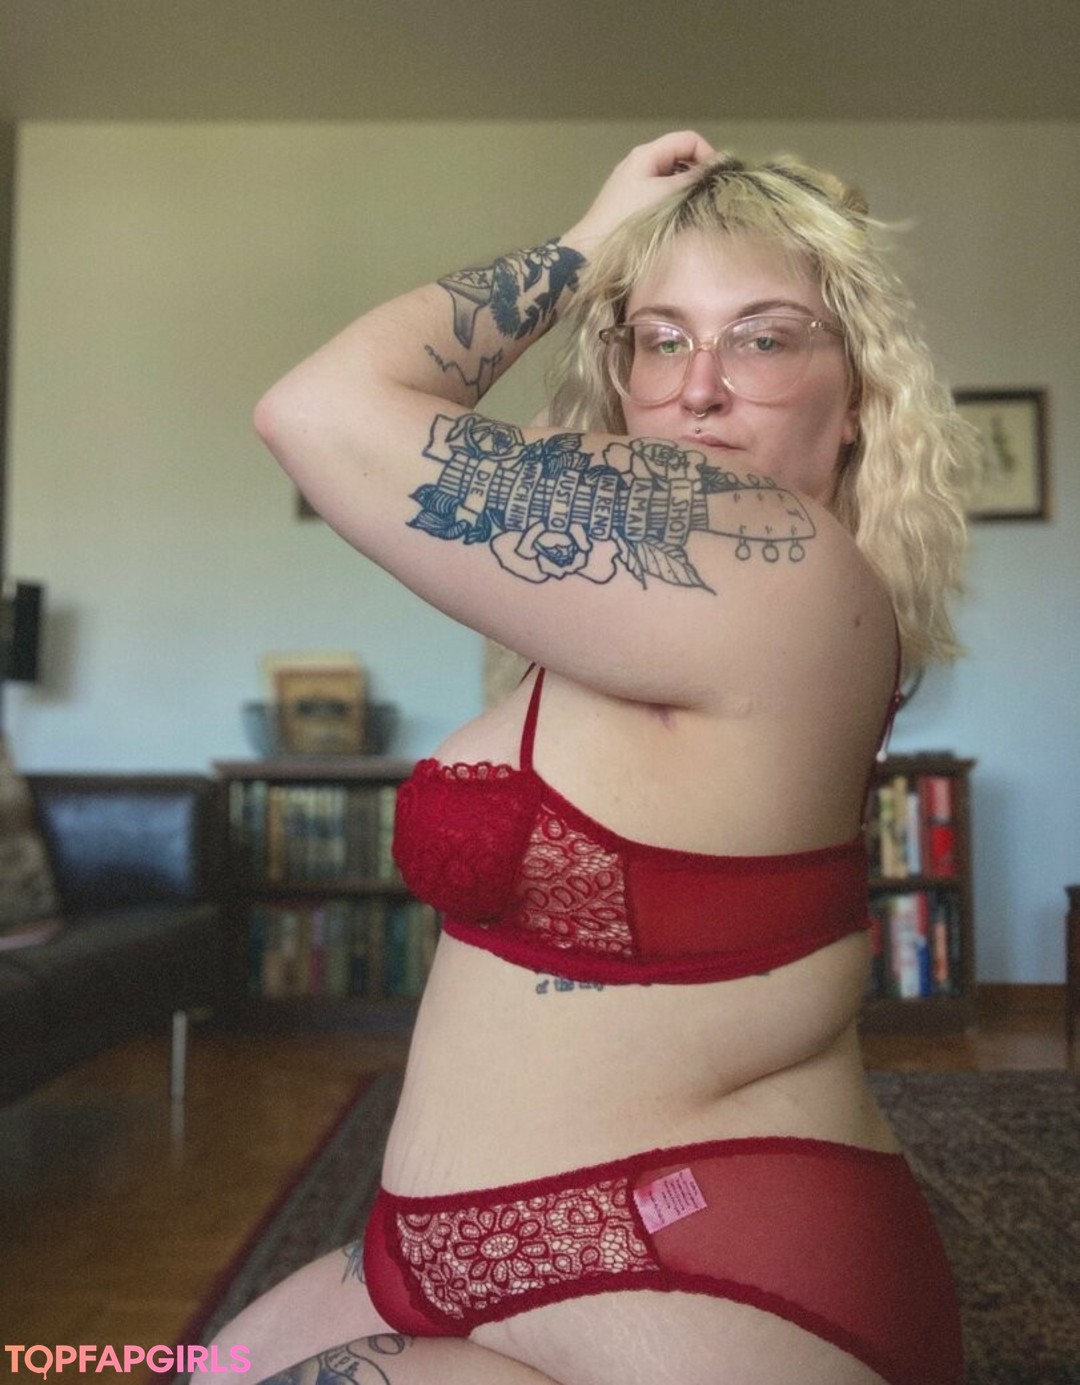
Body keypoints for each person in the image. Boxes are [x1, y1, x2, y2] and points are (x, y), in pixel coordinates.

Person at [212, 131, 972, 1385]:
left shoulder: (779, 565)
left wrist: (585, 246)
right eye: (659, 337)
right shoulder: (638, 599)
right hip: (447, 1246)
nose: (698, 386)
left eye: (764, 339)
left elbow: (318, 410)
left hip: (694, 1271)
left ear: (856, 401)